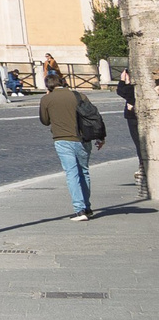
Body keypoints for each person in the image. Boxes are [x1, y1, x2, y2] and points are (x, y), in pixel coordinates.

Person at [37, 75, 106, 222]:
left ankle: (79, 209)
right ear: (63, 83)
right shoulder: (79, 95)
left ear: (48, 86)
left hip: (62, 139)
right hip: (83, 139)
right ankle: (87, 207)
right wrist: (101, 137)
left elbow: (45, 121)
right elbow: (93, 116)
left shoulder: (46, 99)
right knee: (84, 172)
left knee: (72, 174)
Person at [117, 68, 145, 199]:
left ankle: (143, 166)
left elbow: (122, 92)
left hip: (134, 117)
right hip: (134, 116)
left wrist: (123, 81)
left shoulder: (134, 88)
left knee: (139, 143)